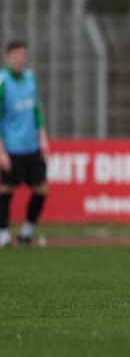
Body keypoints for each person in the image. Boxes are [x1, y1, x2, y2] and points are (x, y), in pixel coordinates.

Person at [0, 41, 50, 247]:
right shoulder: (2, 81)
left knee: (41, 188)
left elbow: (37, 110)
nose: (20, 59)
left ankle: (27, 231)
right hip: (12, 146)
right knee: (6, 189)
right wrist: (1, 151)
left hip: (32, 145)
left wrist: (43, 138)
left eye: (23, 55)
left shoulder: (31, 79)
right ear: (8, 57)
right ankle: (3, 232)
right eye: (16, 55)